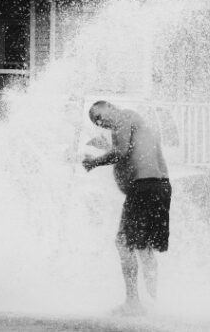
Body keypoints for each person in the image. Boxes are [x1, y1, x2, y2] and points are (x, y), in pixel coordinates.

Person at [81, 100, 171, 315]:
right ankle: (153, 301)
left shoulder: (123, 116)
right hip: (160, 186)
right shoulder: (135, 122)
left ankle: (133, 303)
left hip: (145, 187)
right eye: (95, 121)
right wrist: (106, 147)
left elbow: (121, 152)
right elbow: (131, 153)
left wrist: (94, 162)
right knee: (145, 248)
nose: (99, 121)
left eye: (99, 115)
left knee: (123, 243)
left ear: (110, 106)